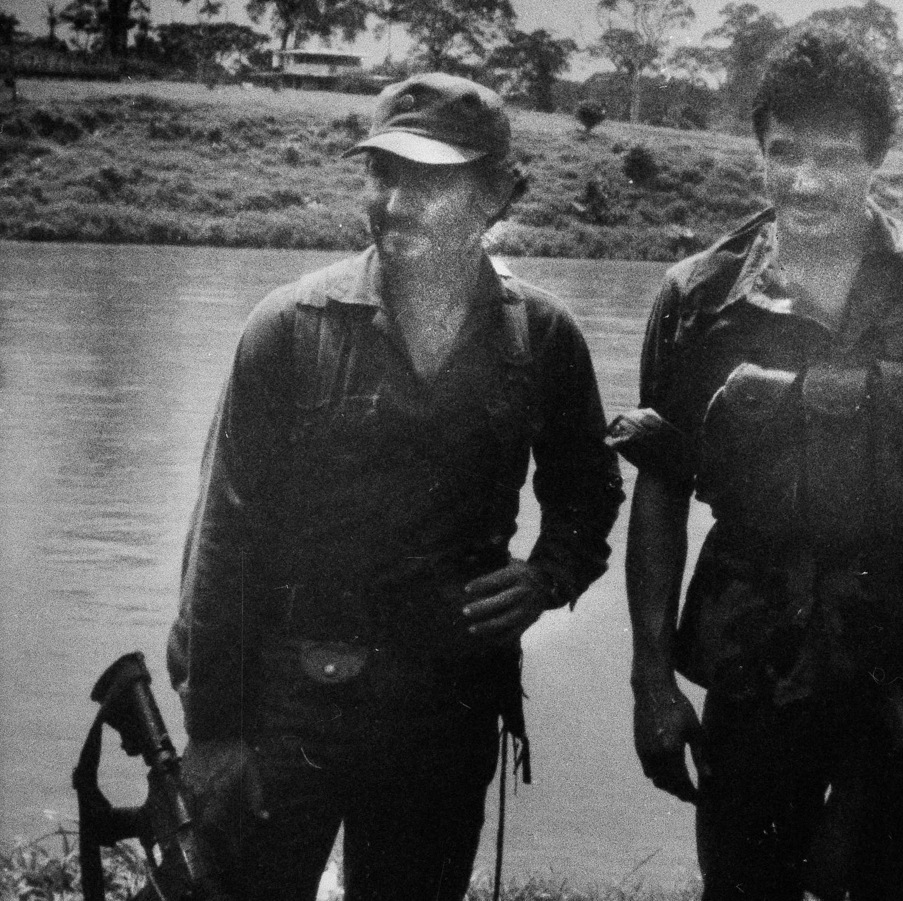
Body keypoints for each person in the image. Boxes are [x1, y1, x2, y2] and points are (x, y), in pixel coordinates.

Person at [167, 73, 624, 901]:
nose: (398, 202)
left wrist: (544, 576)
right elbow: (222, 538)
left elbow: (589, 498)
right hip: (289, 707)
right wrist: (214, 733)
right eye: (383, 173)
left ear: (497, 193)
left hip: (445, 714)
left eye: (432, 178)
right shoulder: (289, 326)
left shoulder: (544, 337)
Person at [610, 30, 903, 901]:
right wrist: (651, 679)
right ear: (760, 150)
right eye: (784, 153)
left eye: (836, 157)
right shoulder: (699, 297)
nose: (805, 182)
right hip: (754, 659)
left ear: (877, 159)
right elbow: (659, 495)